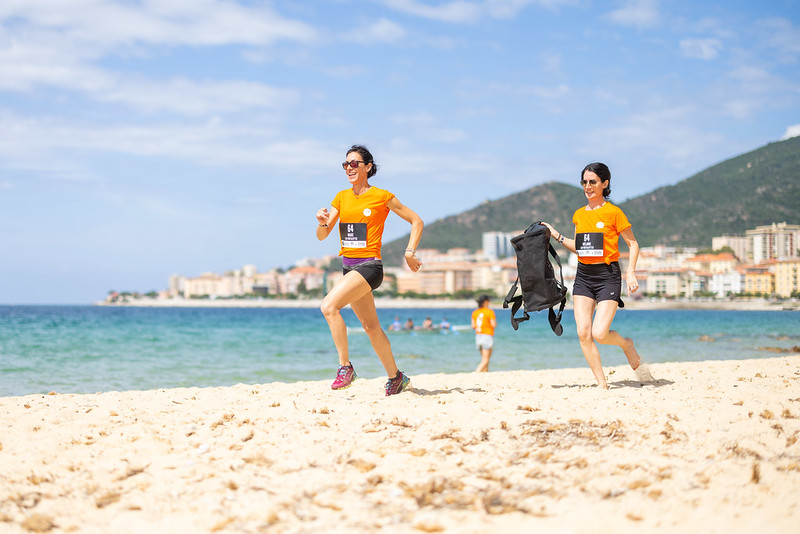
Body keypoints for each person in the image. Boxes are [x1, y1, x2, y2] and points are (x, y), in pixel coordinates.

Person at [316, 144, 424, 396]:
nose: (349, 168)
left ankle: (345, 367)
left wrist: (409, 252)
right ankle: (396, 377)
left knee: (329, 307)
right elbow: (323, 235)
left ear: (368, 167)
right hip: (349, 268)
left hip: (370, 267)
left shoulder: (382, 196)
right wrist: (322, 223)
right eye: (345, 164)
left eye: (354, 163)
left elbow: (416, 221)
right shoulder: (341, 198)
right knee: (371, 327)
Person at [542, 162, 642, 389]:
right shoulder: (578, 215)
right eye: (584, 182)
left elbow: (633, 244)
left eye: (593, 182)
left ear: (605, 184)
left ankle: (626, 344)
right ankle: (602, 384)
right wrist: (555, 235)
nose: (588, 186)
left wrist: (631, 273)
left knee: (600, 333)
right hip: (584, 276)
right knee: (583, 332)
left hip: (608, 275)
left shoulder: (614, 212)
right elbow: (580, 248)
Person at [471, 295, 497, 372]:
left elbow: (473, 326)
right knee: (485, 360)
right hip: (487, 335)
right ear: (486, 301)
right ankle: (476, 373)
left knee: (484, 359)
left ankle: (485, 374)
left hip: (478, 336)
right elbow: (493, 325)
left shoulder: (475, 312)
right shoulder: (490, 312)